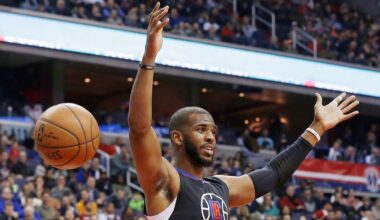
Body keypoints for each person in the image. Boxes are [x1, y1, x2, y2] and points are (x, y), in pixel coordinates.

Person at [127, 2, 360, 219]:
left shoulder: (221, 187)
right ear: (177, 137)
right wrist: (149, 58)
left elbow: (274, 173)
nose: (211, 136)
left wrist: (317, 127)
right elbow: (139, 130)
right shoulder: (166, 181)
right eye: (201, 129)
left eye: (213, 131)